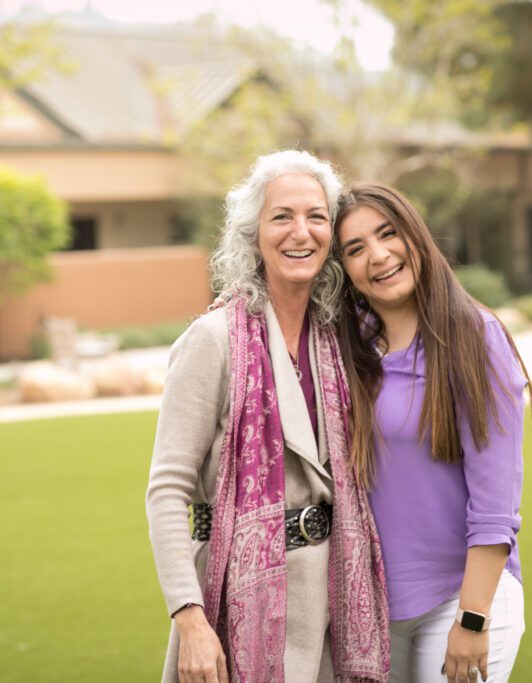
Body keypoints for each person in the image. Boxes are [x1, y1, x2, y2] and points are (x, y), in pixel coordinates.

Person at [146, 151, 390, 683]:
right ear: (251, 232)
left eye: (316, 217)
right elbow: (166, 489)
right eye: (281, 216)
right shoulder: (211, 341)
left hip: (332, 602)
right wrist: (189, 619)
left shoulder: (338, 340)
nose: (300, 232)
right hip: (237, 602)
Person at [333, 184, 532, 683]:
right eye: (355, 249)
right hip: (370, 610)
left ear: (415, 237)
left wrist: (472, 619)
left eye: (388, 234)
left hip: (460, 600)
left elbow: (495, 506)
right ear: (345, 272)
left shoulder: (475, 339)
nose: (378, 256)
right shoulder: (343, 347)